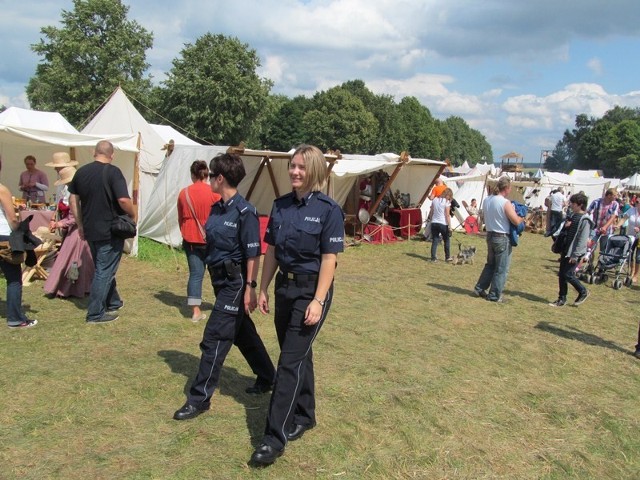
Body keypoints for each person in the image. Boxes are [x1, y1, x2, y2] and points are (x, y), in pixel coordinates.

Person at [250, 144, 345, 467]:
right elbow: (272, 250)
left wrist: (318, 300)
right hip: (283, 289)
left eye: (301, 167)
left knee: (288, 363)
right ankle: (306, 414)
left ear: (314, 170)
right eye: (292, 166)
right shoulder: (280, 206)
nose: (294, 172)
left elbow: (329, 260)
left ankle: (272, 438)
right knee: (299, 354)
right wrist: (262, 287)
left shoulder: (328, 210)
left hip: (310, 291)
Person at [173, 153, 276, 421]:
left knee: (215, 338)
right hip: (219, 281)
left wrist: (250, 288)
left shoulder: (246, 212)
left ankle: (199, 398)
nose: (208, 181)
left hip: (236, 283)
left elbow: (253, 253)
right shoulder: (217, 208)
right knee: (242, 333)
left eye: (211, 177)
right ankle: (267, 376)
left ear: (220, 178)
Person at [69, 140, 135, 323]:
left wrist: (80, 224)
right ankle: (95, 313)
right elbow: (123, 200)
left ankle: (113, 301)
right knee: (104, 270)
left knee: (102, 267)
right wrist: (133, 213)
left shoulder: (81, 172)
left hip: (90, 228)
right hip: (109, 229)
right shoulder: (113, 172)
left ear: (94, 152)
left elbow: (73, 200)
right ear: (111, 154)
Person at [177, 160, 221, 322]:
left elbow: (180, 218)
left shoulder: (184, 193)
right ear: (206, 174)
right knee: (217, 273)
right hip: (212, 240)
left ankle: (196, 311)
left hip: (191, 240)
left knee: (196, 275)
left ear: (192, 175)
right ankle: (221, 304)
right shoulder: (215, 194)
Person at [43, 166, 94, 298]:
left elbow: (75, 217)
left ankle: (73, 288)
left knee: (75, 260)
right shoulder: (85, 190)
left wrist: (60, 223)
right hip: (83, 229)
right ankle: (83, 287)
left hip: (78, 231)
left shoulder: (75, 195)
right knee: (82, 261)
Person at [473, 176, 525, 303]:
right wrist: (522, 217)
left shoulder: (487, 200)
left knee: (490, 264)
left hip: (490, 235)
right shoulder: (504, 202)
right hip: (502, 237)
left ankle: (480, 288)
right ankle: (495, 295)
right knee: (501, 268)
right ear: (507, 188)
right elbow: (516, 220)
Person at [0, 157, 37, 328]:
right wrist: (21, 228)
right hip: (3, 237)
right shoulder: (2, 189)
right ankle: (15, 318)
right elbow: (12, 220)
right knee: (14, 278)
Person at [548, 192, 592, 307]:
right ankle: (561, 299)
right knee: (562, 275)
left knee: (568, 274)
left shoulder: (585, 220)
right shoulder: (572, 216)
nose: (570, 205)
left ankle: (583, 291)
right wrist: (565, 227)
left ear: (580, 204)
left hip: (574, 253)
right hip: (566, 250)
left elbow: (582, 239)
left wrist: (575, 255)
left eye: (573, 203)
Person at [617, 198, 640, 283]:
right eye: (636, 202)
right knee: (629, 254)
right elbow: (624, 218)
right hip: (631, 237)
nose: (637, 203)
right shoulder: (632, 210)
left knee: (638, 257)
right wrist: (618, 225)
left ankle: (635, 275)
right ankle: (632, 271)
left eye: (638, 202)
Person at [427, 187, 453, 262]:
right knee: (446, 240)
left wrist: (431, 219)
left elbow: (431, 211)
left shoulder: (434, 200)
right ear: (448, 195)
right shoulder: (447, 202)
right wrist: (450, 227)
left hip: (434, 222)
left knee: (435, 240)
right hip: (443, 223)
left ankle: (433, 258)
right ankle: (447, 257)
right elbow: (447, 215)